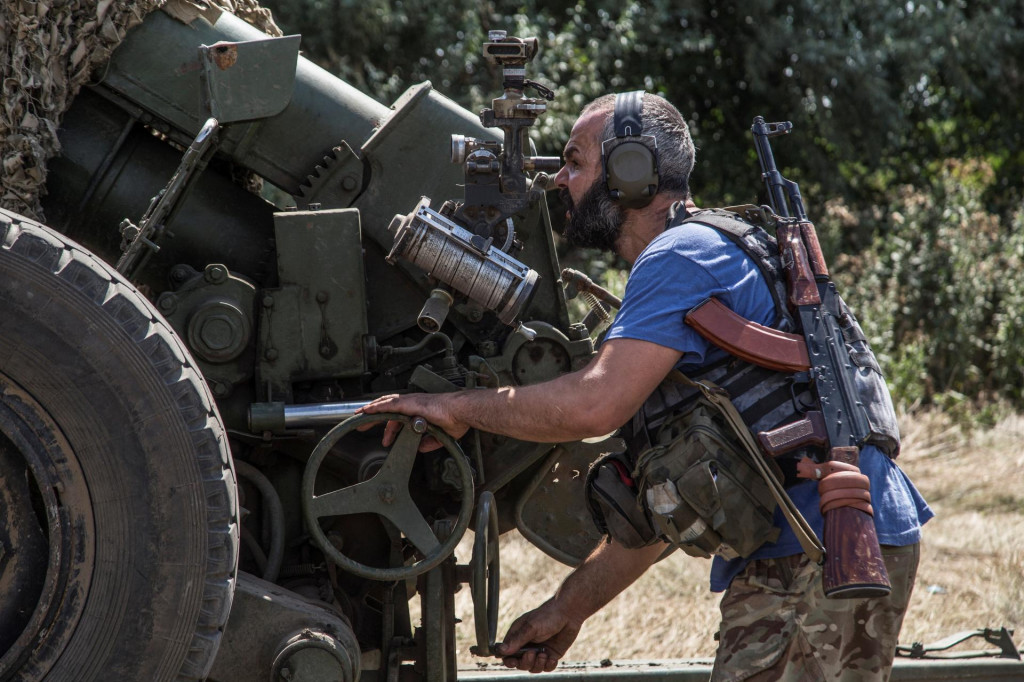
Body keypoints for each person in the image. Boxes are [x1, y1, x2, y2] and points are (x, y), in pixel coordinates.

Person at [360, 92, 932, 681]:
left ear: (631, 172)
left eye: (576, 161)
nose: (560, 180)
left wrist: (455, 408)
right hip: (826, 537)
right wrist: (567, 610)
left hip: (820, 545)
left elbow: (594, 405)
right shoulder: (708, 248)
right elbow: (671, 503)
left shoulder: (679, 255)